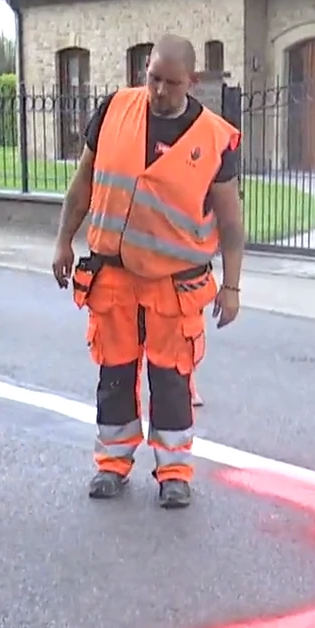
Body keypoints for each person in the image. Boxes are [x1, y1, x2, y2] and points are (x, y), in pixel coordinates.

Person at [52, 34, 244, 509]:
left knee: (171, 380)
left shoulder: (215, 138)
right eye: (153, 78)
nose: (158, 90)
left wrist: (233, 285)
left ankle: (174, 472)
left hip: (174, 284)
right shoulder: (115, 110)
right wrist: (62, 241)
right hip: (112, 277)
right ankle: (112, 465)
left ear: (192, 82)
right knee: (114, 375)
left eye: (171, 83)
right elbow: (83, 184)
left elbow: (232, 220)